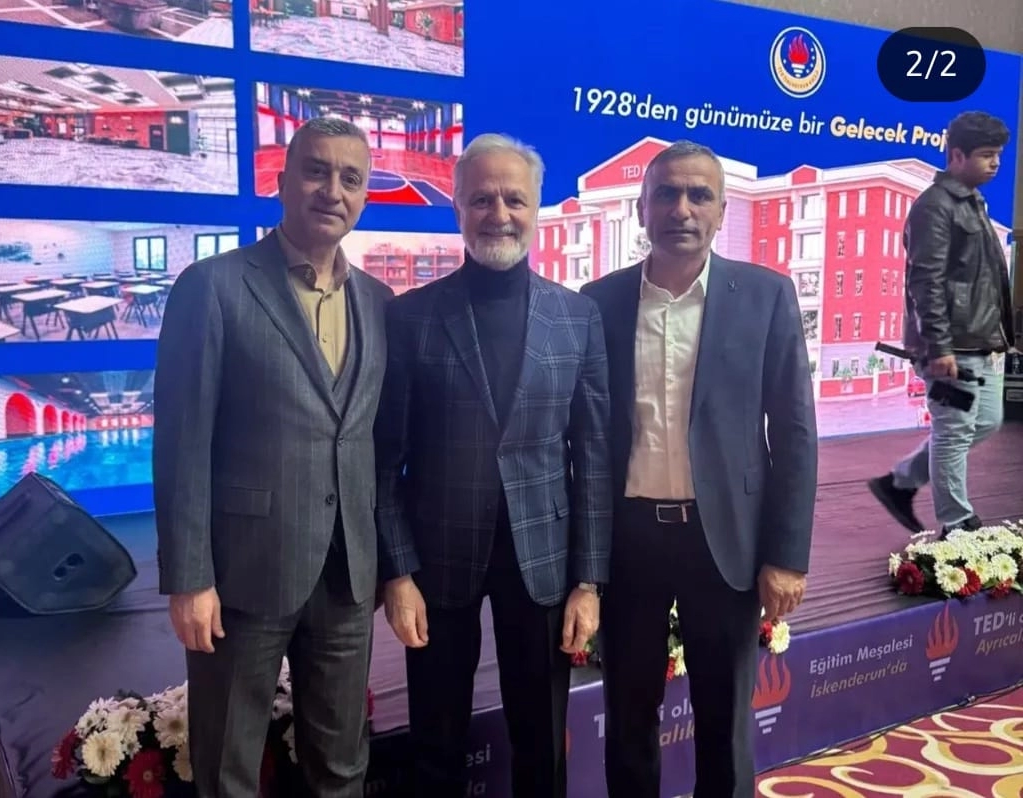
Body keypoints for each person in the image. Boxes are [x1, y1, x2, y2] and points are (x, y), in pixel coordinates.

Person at [153, 117, 394, 797]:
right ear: (281, 181)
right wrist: (189, 578)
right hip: (242, 575)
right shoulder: (213, 286)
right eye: (316, 171)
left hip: (347, 575)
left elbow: (371, 440)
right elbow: (182, 443)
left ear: (364, 196)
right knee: (227, 769)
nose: (332, 190)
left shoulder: (379, 303)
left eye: (351, 178)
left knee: (342, 768)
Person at [374, 132, 612, 798]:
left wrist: (589, 580)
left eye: (514, 199)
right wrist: (397, 573)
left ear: (537, 208)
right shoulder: (409, 318)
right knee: (435, 743)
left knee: (542, 741)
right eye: (481, 199)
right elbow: (383, 461)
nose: (498, 213)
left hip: (545, 562)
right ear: (457, 208)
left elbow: (594, 456)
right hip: (436, 563)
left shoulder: (578, 317)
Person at [580, 140, 818, 798]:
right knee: (628, 715)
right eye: (666, 194)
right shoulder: (598, 302)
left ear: (721, 212)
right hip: (629, 542)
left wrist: (787, 555)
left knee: (724, 719)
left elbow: (795, 431)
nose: (681, 209)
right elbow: (586, 439)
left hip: (725, 542)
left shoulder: (765, 297)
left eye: (699, 195)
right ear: (641, 208)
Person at [868, 111, 1014, 536]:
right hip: (951, 347)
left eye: (998, 154)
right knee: (954, 430)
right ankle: (956, 522)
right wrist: (939, 346)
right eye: (986, 154)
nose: (995, 163)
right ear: (956, 155)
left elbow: (986, 279)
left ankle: (899, 482)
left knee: (986, 422)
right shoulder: (933, 207)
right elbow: (925, 281)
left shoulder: (973, 202)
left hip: (980, 341)